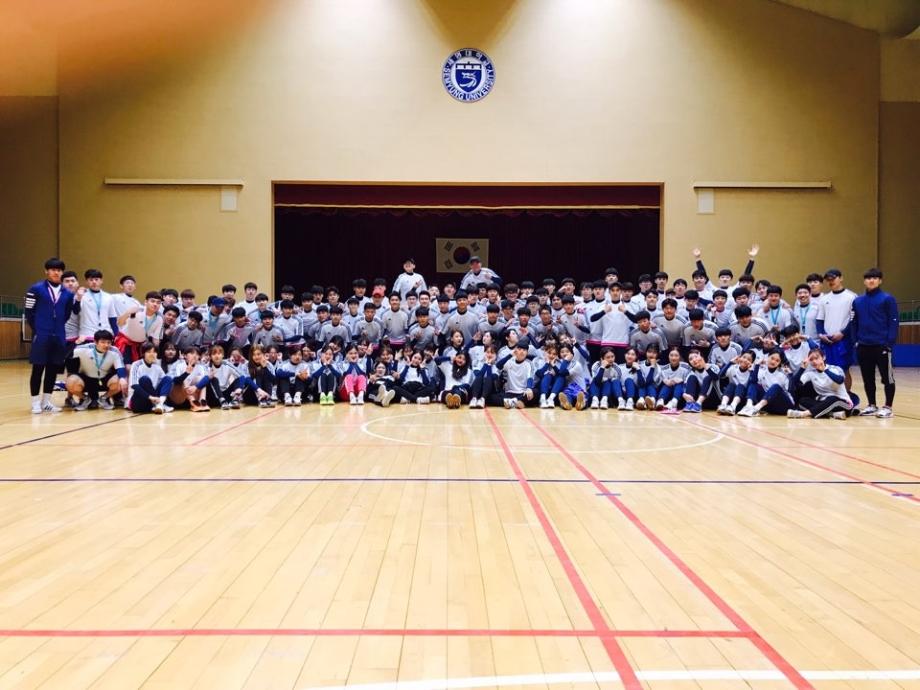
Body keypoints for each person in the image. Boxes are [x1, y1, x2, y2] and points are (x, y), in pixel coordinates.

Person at [25, 258, 82, 414]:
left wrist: (57, 328)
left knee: (52, 370)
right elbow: (29, 312)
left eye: (59, 270)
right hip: (41, 335)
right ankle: (35, 402)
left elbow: (67, 314)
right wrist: (39, 329)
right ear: (46, 271)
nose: (56, 272)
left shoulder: (67, 294)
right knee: (38, 369)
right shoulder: (35, 289)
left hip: (59, 336)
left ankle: (46, 402)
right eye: (53, 270)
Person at [852, 267, 899, 418]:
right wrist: (856, 341)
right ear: (864, 281)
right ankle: (871, 405)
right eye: (868, 278)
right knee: (867, 378)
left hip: (881, 345)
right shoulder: (858, 301)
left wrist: (889, 343)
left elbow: (894, 321)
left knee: (887, 378)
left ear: (880, 281)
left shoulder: (887, 299)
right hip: (863, 345)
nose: (871, 280)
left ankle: (888, 407)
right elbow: (854, 322)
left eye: (874, 278)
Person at [788, 348, 857, 419]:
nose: (814, 361)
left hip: (844, 404)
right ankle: (832, 414)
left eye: (816, 358)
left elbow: (840, 380)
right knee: (803, 401)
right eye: (811, 359)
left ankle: (804, 414)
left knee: (832, 399)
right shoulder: (811, 374)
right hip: (824, 404)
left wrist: (825, 370)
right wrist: (802, 368)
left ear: (823, 357)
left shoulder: (835, 368)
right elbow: (795, 383)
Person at [65, 330, 127, 411]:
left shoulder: (114, 351)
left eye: (109, 342)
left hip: (105, 379)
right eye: (103, 342)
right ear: (95, 342)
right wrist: (76, 343)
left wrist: (122, 378)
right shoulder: (84, 348)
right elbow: (67, 355)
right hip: (86, 379)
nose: (106, 345)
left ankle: (104, 398)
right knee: (70, 381)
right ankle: (85, 399)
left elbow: (120, 367)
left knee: (121, 380)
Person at [816, 268, 856, 390]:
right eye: (828, 280)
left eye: (833, 278)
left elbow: (854, 319)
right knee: (827, 368)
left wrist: (843, 333)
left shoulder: (851, 297)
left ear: (841, 278)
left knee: (844, 369)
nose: (831, 281)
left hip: (844, 340)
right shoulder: (824, 299)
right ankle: (831, 394)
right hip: (827, 341)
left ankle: (846, 395)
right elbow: (819, 319)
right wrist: (821, 334)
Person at [115, 291, 164, 364]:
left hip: (141, 345)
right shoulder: (136, 311)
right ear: (146, 302)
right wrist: (127, 312)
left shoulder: (160, 319)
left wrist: (154, 353)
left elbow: (156, 340)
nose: (155, 304)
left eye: (158, 302)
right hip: (125, 343)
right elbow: (119, 323)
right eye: (152, 301)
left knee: (142, 366)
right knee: (128, 367)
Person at [127, 342, 174, 414]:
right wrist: (151, 397)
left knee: (168, 378)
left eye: (154, 352)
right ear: (143, 353)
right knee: (145, 379)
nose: (152, 354)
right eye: (149, 352)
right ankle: (159, 405)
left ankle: (160, 404)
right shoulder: (136, 365)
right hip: (138, 401)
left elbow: (166, 383)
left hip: (152, 402)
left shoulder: (157, 367)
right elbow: (134, 385)